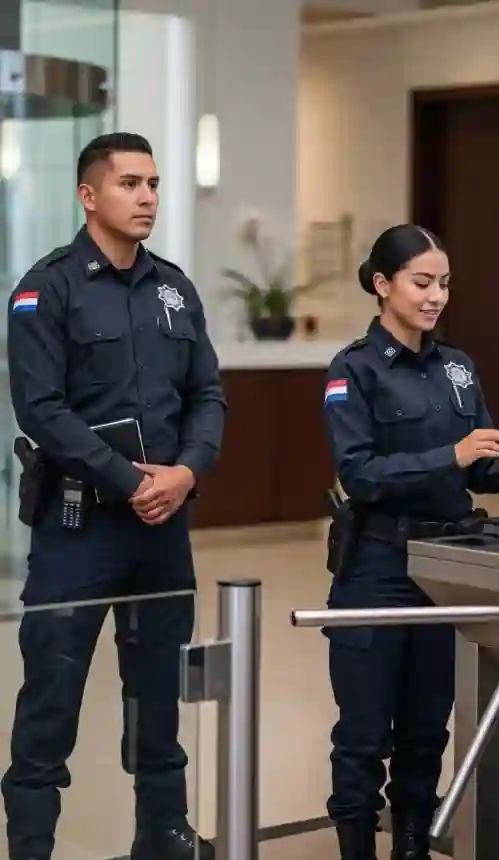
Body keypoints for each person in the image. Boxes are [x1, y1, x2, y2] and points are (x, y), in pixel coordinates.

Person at [2, 132, 225, 860]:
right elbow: (41, 409)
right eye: (130, 184)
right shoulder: (47, 288)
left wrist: (186, 472)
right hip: (79, 528)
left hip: (161, 528)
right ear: (88, 195)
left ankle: (162, 832)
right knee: (51, 695)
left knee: (160, 690)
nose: (148, 197)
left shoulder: (174, 288)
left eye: (153, 184)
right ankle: (32, 844)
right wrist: (131, 481)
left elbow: (207, 395)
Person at [323, 223, 499, 860]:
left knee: (426, 728)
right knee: (364, 732)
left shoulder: (458, 368)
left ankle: (413, 846)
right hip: (378, 566)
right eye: (421, 282)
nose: (436, 296)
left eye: (444, 283)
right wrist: (453, 454)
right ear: (382, 284)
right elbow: (359, 473)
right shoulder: (353, 370)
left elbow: (478, 469)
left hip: (446, 568)